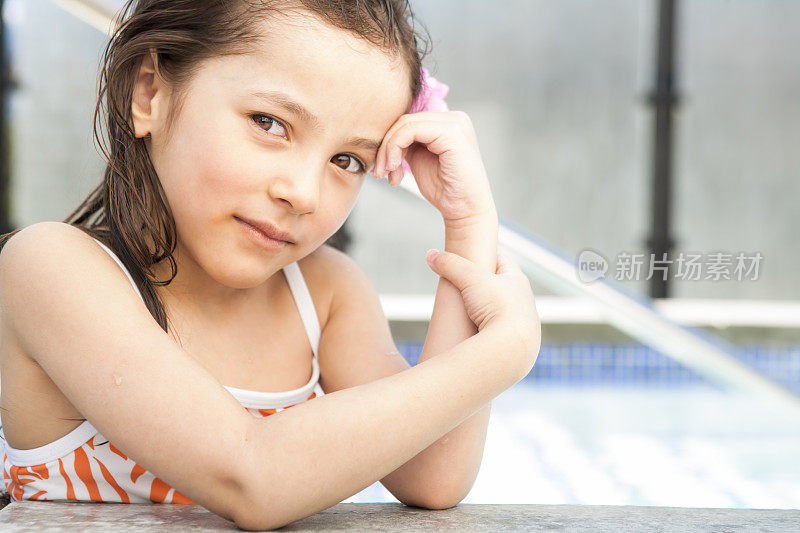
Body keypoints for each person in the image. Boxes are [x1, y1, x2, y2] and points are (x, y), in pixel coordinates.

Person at [0, 0, 540, 529]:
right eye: (270, 123)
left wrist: (467, 222)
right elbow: (255, 478)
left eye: (346, 160)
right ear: (151, 92)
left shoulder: (325, 293)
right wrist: (502, 352)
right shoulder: (51, 268)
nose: (303, 193)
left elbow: (433, 477)